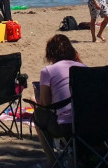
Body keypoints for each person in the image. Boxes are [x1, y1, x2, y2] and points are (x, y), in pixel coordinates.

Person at [34, 34, 86, 166]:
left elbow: (45, 105)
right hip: (89, 124)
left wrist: (35, 99)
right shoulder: (84, 68)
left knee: (38, 116)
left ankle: (52, 160)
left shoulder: (48, 71)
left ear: (50, 54)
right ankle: (76, 157)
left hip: (66, 127)